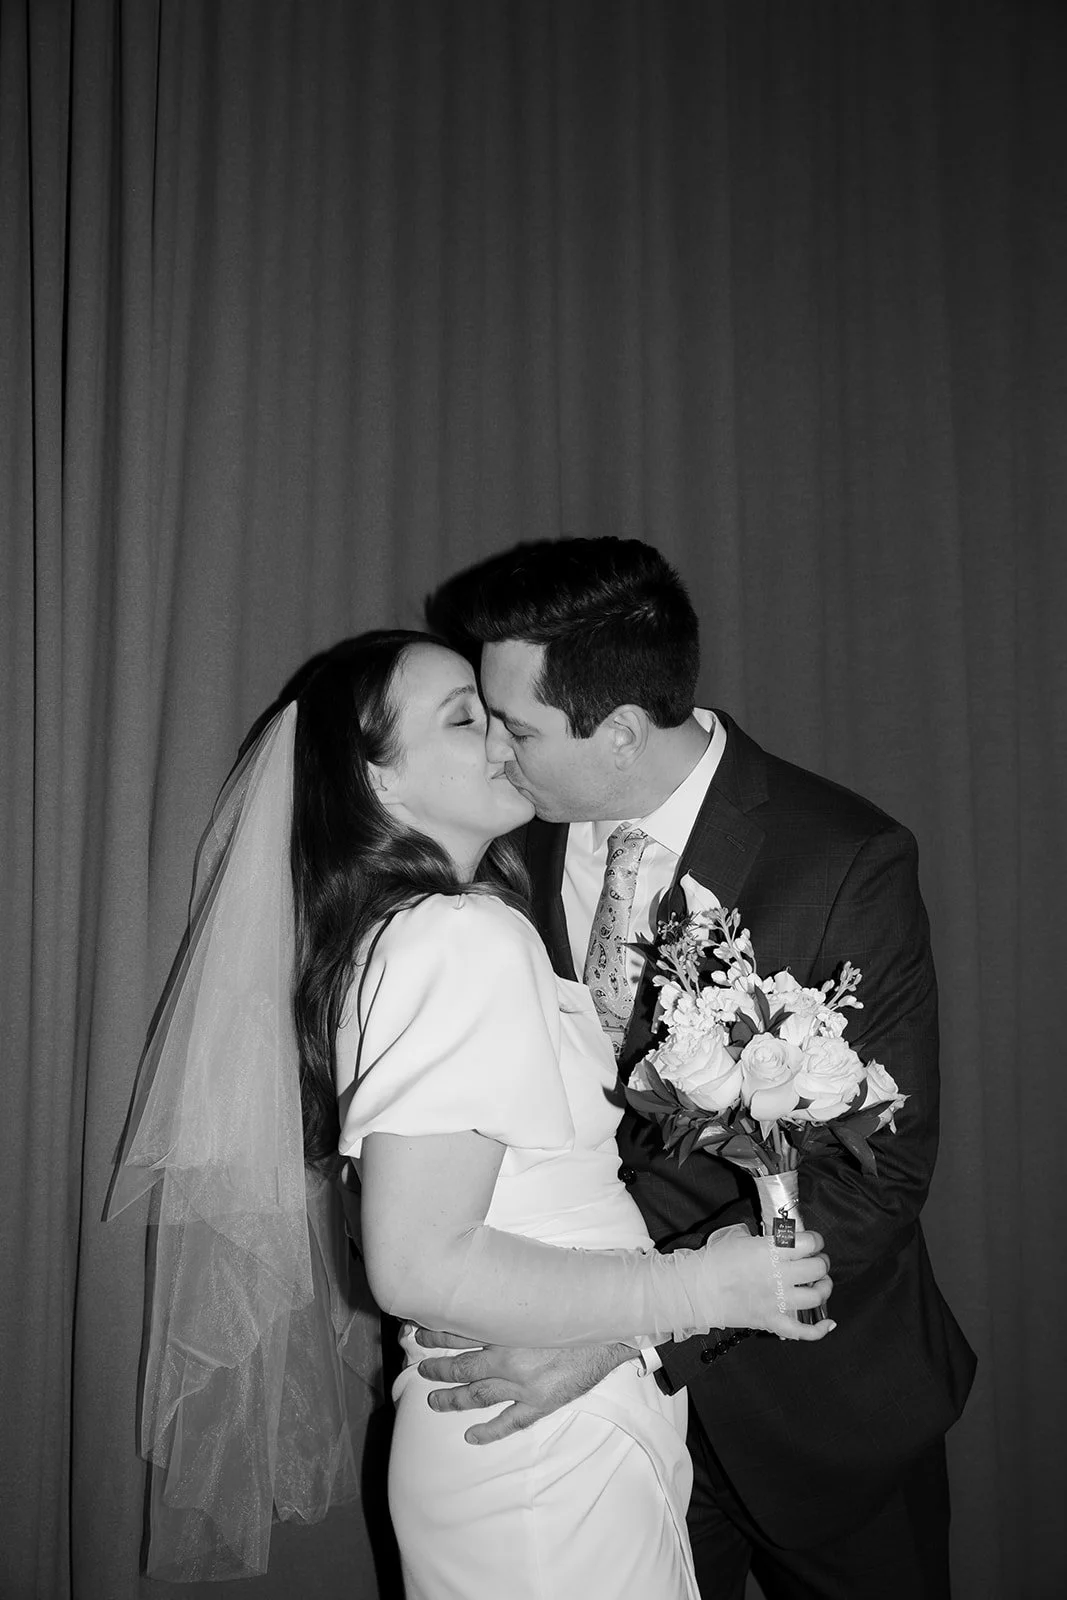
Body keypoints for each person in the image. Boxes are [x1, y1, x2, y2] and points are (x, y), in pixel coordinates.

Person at [108, 628, 833, 1595]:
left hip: (531, 1427)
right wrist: (699, 1292)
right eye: (463, 719)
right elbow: (417, 1260)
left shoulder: (417, 933)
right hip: (534, 1456)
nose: (502, 737)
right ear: (377, 784)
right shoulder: (459, 937)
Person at [419, 541, 977, 1600]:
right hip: (608, 1439)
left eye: (519, 727)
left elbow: (877, 1180)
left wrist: (626, 1328)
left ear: (621, 731)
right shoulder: (503, 853)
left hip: (824, 1412)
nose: (495, 750)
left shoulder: (843, 858)